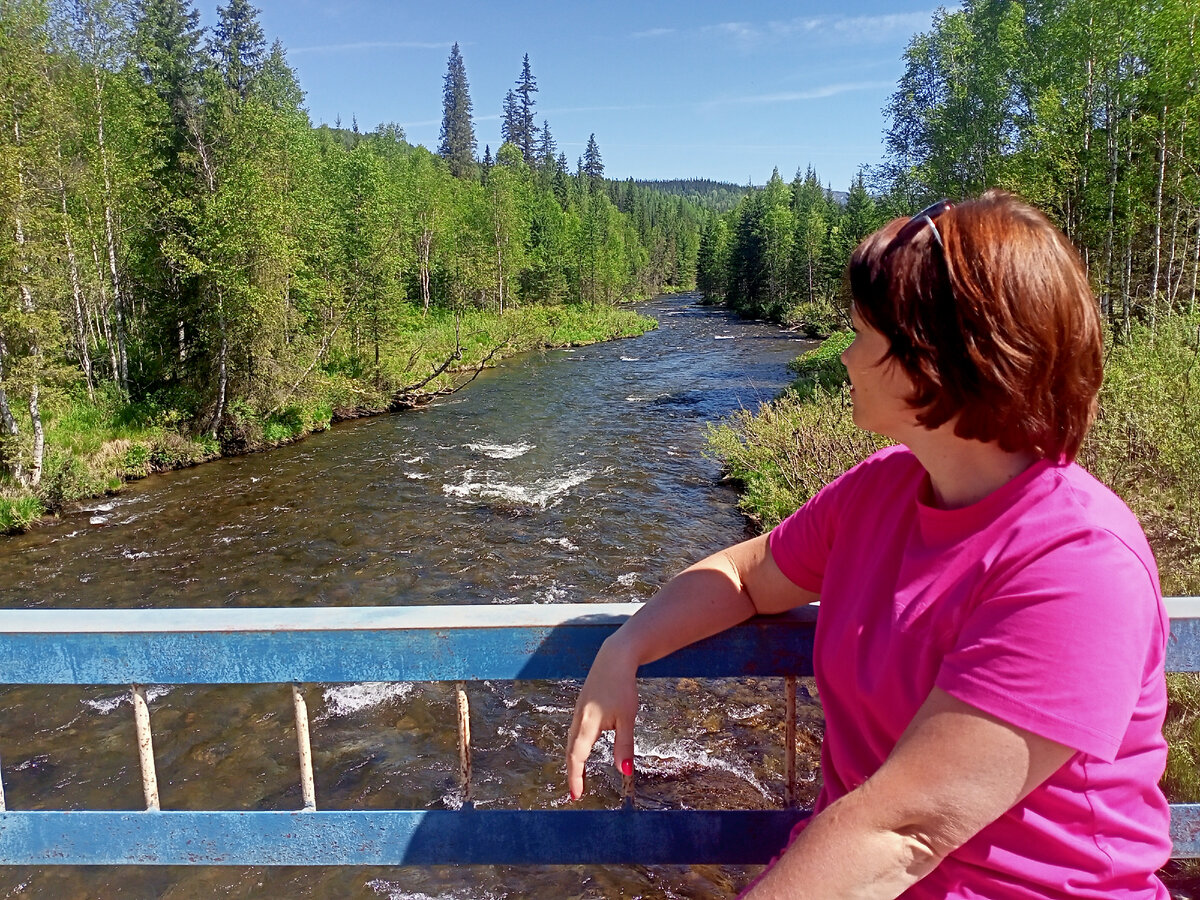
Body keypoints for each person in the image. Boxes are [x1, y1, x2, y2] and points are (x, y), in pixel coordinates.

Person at [565, 190, 1172, 899]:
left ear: (936, 360)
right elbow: (746, 574)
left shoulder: (1078, 563)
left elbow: (905, 832)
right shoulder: (883, 490)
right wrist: (627, 645)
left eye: (861, 334)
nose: (845, 356)